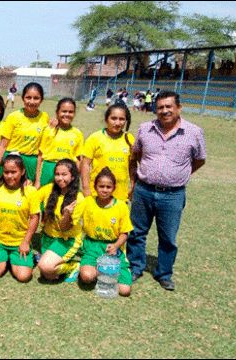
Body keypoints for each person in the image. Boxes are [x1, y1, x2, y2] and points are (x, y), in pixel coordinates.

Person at [127, 90, 207, 291]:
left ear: (178, 108)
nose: (164, 111)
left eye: (168, 106)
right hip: (143, 190)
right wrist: (135, 182)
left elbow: (199, 160)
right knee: (136, 232)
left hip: (172, 195)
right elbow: (134, 154)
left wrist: (179, 175)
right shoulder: (145, 128)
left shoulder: (194, 132)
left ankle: (163, 273)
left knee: (168, 238)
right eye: (160, 107)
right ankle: (135, 267)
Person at [79, 167, 133, 296]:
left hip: (112, 246)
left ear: (114, 188)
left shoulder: (121, 206)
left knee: (124, 291)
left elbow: (125, 233)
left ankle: (111, 270)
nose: (104, 190)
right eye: (101, 186)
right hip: (92, 245)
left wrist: (115, 246)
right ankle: (99, 270)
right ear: (95, 187)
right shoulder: (88, 202)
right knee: (86, 277)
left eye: (108, 187)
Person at [0, 154, 40, 282]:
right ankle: (5, 258)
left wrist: (26, 242)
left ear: (22, 171)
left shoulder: (30, 191)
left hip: (19, 241)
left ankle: (24, 258)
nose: (10, 176)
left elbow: (34, 218)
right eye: (6, 172)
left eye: (14, 172)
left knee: (24, 276)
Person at [36, 159, 86, 282]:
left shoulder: (78, 199)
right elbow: (32, 200)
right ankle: (51, 259)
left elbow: (64, 228)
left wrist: (67, 215)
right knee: (48, 274)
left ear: (73, 176)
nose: (60, 178)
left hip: (66, 240)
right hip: (48, 237)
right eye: (57, 174)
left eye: (64, 175)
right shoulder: (49, 189)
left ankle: (73, 266)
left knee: (45, 268)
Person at [0, 82, 51, 185]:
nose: (31, 101)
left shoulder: (44, 117)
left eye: (36, 98)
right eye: (28, 97)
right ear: (23, 98)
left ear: (41, 99)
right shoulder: (13, 117)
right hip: (12, 162)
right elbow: (3, 146)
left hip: (32, 163)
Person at [80, 103, 134, 202]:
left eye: (121, 119)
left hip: (120, 195)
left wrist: (134, 185)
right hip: (98, 193)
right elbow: (85, 164)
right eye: (113, 118)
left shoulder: (129, 139)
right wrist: (86, 188)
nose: (117, 123)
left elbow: (132, 165)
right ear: (106, 119)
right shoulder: (95, 138)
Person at [35, 98, 84, 188]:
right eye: (64, 111)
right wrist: (37, 181)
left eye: (70, 112)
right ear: (57, 112)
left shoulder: (77, 134)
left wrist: (76, 179)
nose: (67, 114)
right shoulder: (49, 130)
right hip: (48, 169)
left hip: (67, 172)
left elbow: (78, 159)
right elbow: (40, 156)